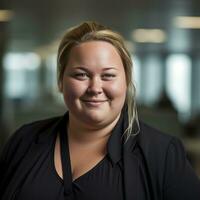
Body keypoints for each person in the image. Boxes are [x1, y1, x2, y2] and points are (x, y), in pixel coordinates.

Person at [0, 21, 200, 200]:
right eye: (81, 74)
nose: (95, 88)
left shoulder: (162, 154)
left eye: (108, 76)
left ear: (127, 82)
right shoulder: (24, 140)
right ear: (61, 81)